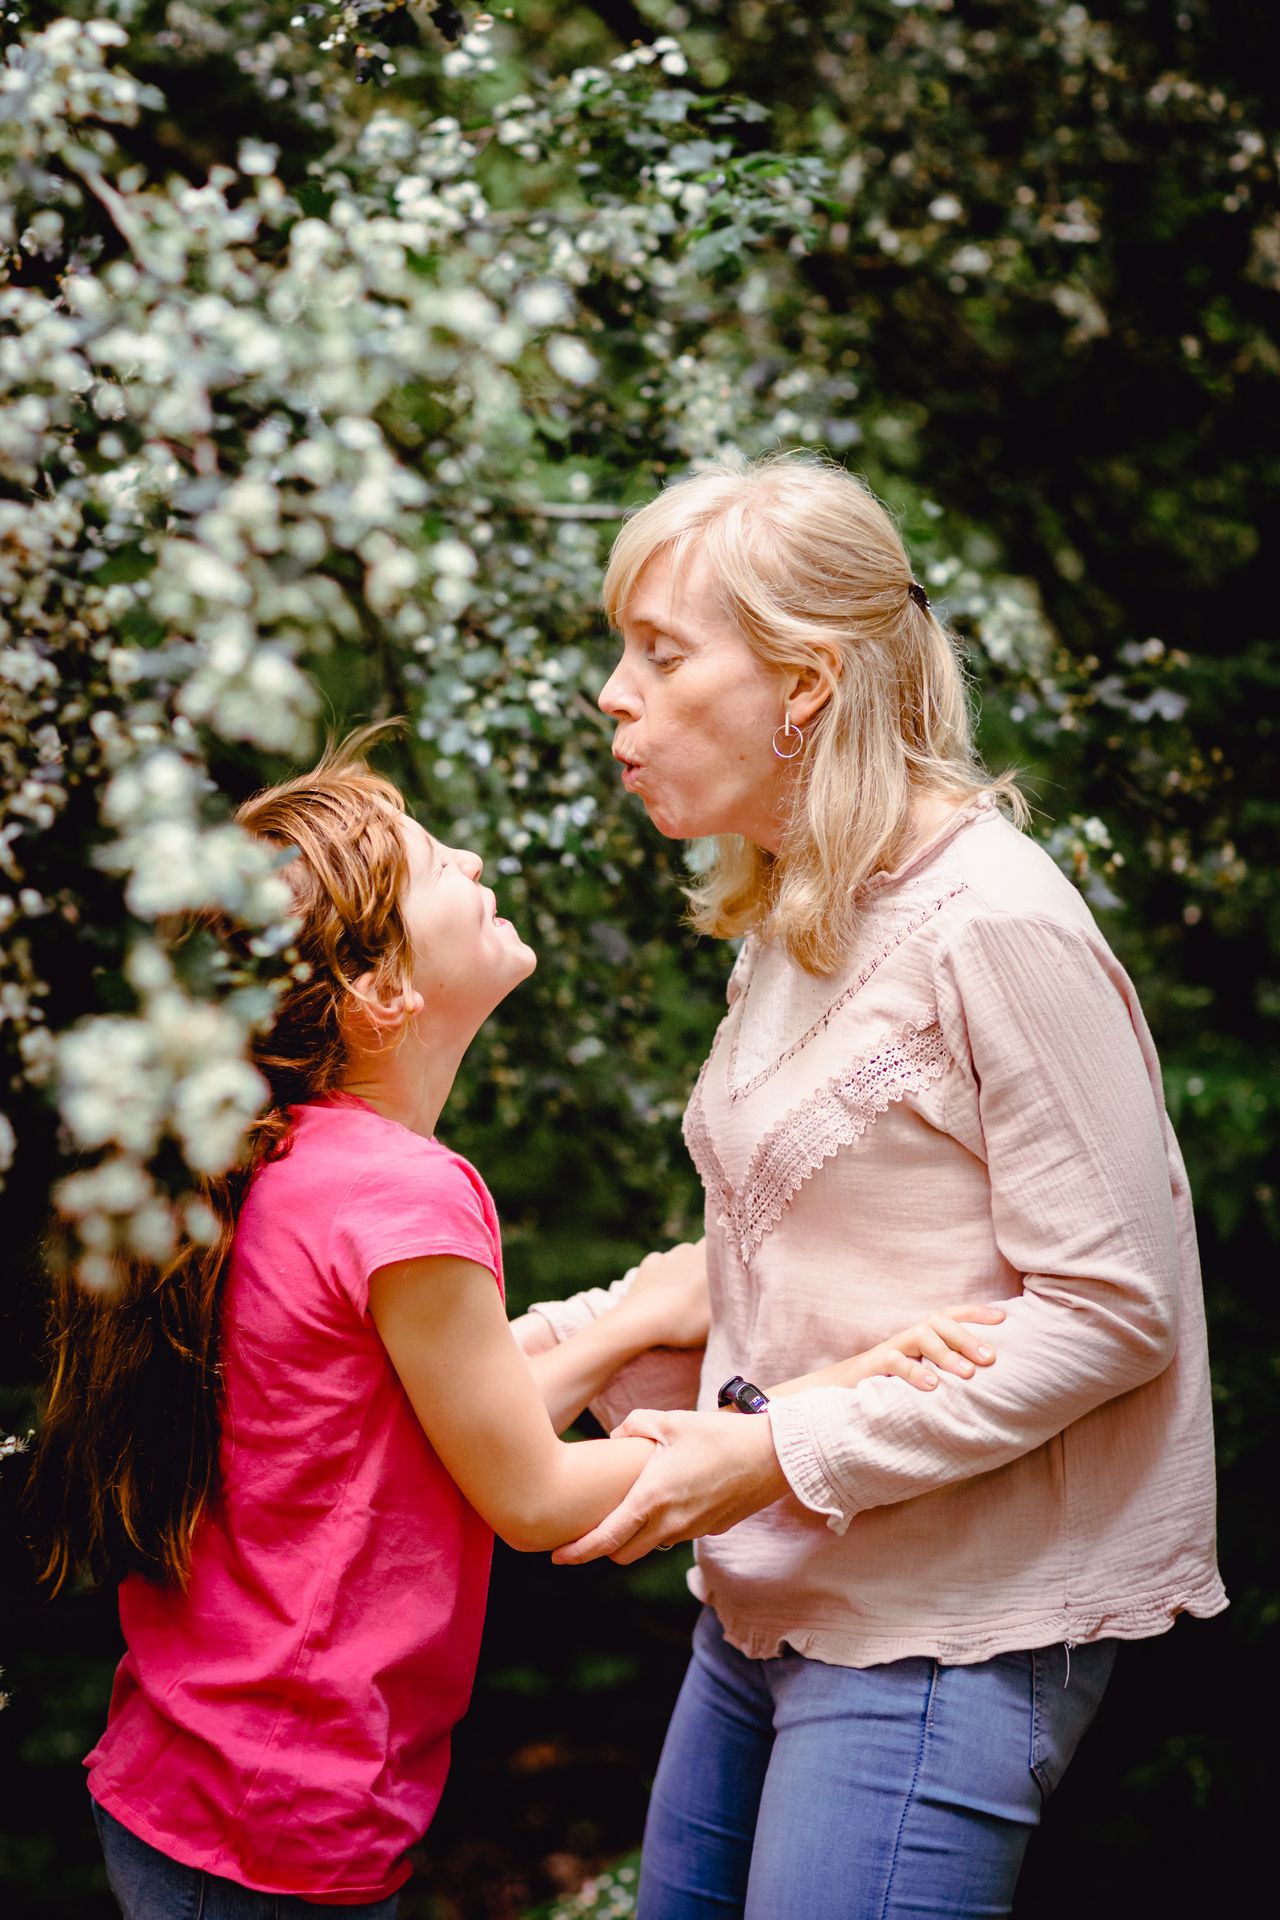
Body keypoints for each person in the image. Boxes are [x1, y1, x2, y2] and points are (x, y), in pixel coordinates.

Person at [31, 731, 1002, 1919]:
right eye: (439, 865)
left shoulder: (291, 1166)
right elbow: (531, 1494)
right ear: (378, 991)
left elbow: (421, 1436)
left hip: (190, 1778)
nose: (476, 860)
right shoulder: (406, 1194)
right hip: (274, 1817)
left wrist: (623, 1324)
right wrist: (816, 1401)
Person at [518, 452, 1226, 1920]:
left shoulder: (999, 927)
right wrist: (618, 1358)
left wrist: (774, 1453)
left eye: (660, 652)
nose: (613, 694)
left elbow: (1112, 1312)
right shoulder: (800, 908)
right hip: (768, 1601)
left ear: (803, 684)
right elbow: (794, 1244)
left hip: (944, 1634)